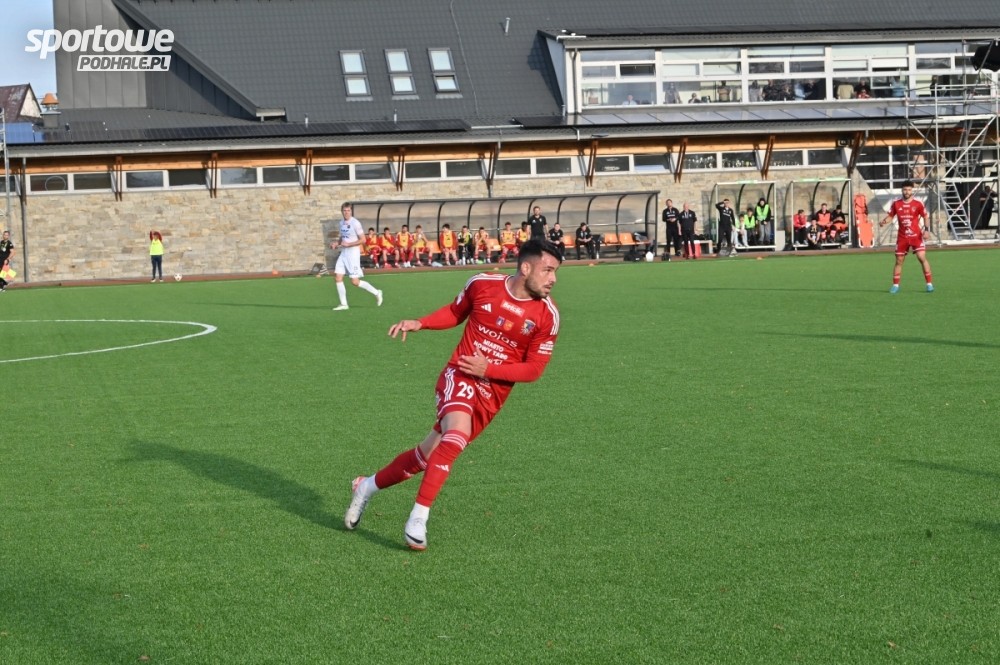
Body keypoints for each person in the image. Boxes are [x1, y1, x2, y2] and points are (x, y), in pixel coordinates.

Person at [344, 239, 563, 551]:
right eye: (548, 270)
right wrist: (421, 323)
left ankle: (366, 487)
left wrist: (489, 369)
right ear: (526, 267)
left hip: (491, 395)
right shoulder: (483, 284)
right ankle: (418, 519)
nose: (553, 278)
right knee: (456, 436)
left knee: (425, 457)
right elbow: (455, 312)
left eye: (555, 272)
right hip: (458, 374)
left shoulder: (548, 316)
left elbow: (534, 369)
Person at [879, 180, 934, 293]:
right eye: (905, 189)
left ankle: (929, 284)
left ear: (912, 190)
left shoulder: (918, 204)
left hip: (916, 236)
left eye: (909, 190)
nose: (907, 192)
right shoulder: (896, 204)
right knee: (899, 260)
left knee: (921, 257)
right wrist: (884, 221)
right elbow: (890, 216)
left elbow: (925, 217)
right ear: (902, 190)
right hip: (902, 237)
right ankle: (895, 285)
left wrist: (926, 230)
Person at [331, 202, 384, 310]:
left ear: (351, 211)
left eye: (348, 210)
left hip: (353, 253)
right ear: (342, 211)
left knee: (354, 281)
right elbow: (343, 237)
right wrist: (337, 243)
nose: (346, 212)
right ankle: (344, 304)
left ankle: (377, 292)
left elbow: (363, 240)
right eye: (344, 210)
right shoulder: (341, 223)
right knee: (338, 277)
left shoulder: (355, 223)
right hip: (344, 253)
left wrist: (349, 244)